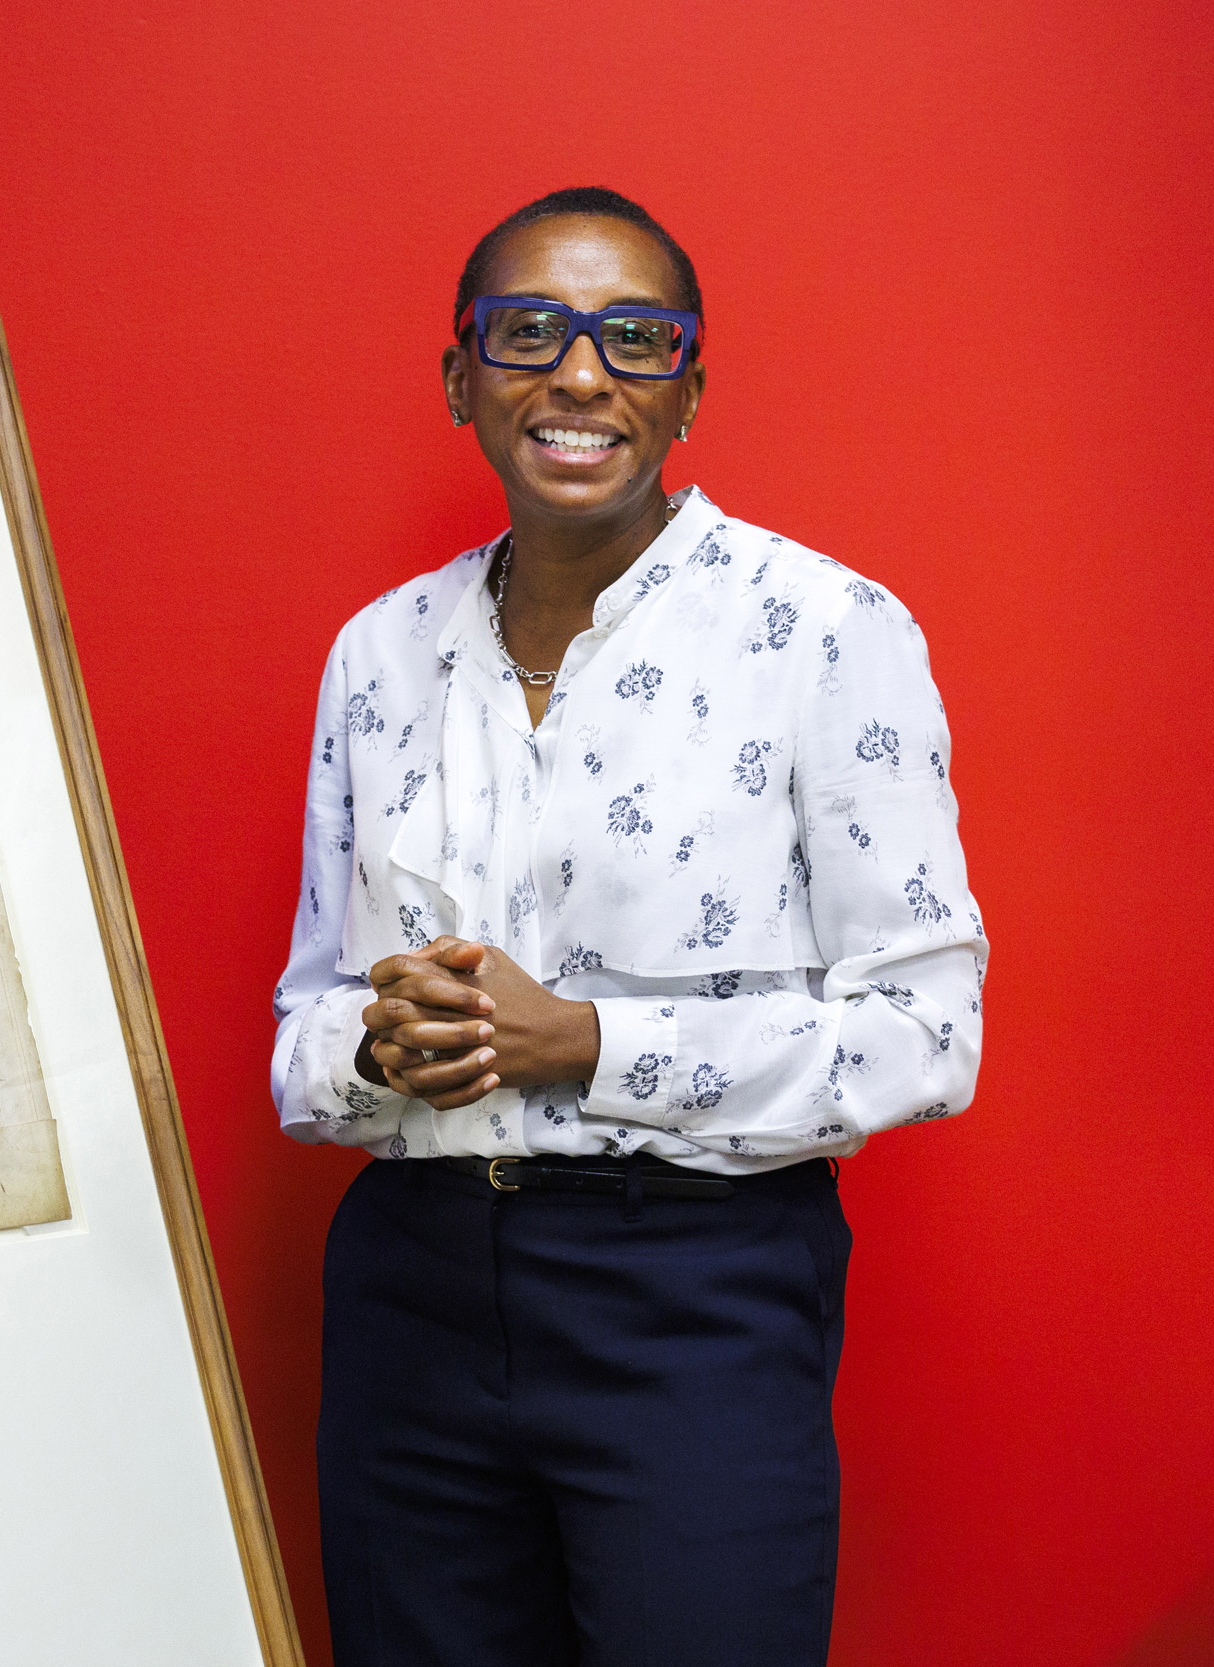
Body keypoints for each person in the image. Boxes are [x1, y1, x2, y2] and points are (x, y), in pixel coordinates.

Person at [271, 187, 986, 1666]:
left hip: (694, 1301)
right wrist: (380, 1049)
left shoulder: (828, 632)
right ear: (461, 377)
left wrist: (586, 1043)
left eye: (636, 340)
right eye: (529, 332)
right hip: (410, 1293)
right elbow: (303, 1036)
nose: (580, 375)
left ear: (691, 390)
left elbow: (930, 1034)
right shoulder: (378, 655)